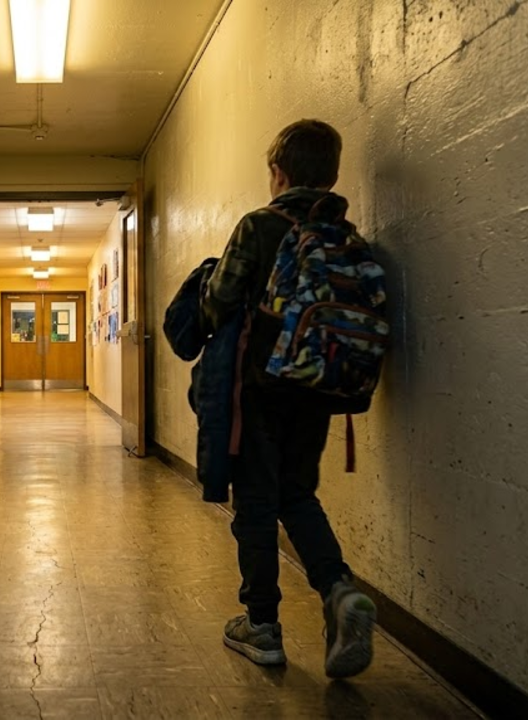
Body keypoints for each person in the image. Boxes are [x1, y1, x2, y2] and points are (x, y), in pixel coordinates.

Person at [202, 119, 378, 679]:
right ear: (331, 174)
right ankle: (339, 589)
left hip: (260, 387)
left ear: (277, 172)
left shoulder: (259, 225)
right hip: (318, 388)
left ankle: (262, 625)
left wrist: (205, 287)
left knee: (255, 502)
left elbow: (220, 302)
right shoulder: (347, 236)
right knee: (298, 493)